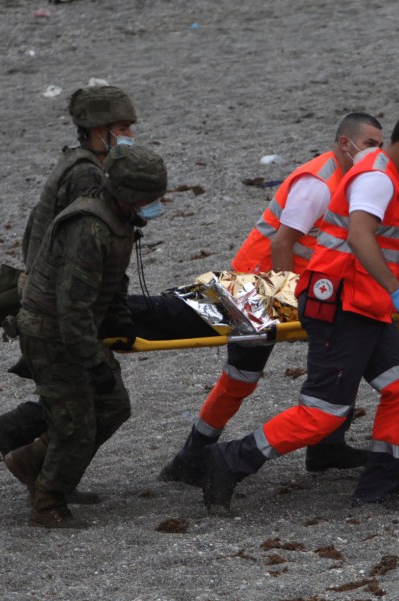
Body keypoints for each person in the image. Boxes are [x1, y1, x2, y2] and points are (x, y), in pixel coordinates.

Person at [202, 104, 399, 510]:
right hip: (340, 304)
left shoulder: (377, 163)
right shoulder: (378, 178)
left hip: (360, 303)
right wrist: (397, 291)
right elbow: (359, 236)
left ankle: (381, 483)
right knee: (322, 413)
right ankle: (230, 460)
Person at [157, 113, 385, 486]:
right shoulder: (318, 183)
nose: (377, 152)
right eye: (372, 144)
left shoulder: (348, 180)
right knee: (240, 377)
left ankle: (328, 445)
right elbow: (282, 244)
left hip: (291, 287)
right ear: (347, 143)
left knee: (342, 357)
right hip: (257, 288)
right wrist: (294, 300)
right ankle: (192, 455)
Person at [12, 144, 168, 528]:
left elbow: (112, 281)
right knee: (74, 424)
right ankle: (47, 503)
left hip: (75, 331)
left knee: (113, 406)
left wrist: (121, 321)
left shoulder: (118, 221)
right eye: (149, 198)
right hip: (53, 335)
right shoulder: (89, 228)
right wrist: (94, 361)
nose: (154, 206)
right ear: (129, 196)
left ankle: (35, 463)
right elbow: (72, 307)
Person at [0, 85, 138, 462]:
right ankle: (38, 469)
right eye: (124, 127)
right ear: (102, 129)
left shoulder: (79, 163)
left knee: (81, 397)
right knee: (95, 402)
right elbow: (81, 249)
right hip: (63, 307)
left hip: (55, 300)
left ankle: (20, 441)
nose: (130, 135)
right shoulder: (87, 177)